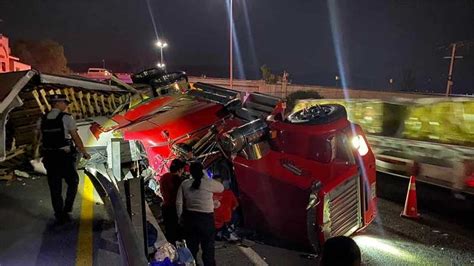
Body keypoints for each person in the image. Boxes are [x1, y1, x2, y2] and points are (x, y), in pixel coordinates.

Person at [36, 94, 90, 224]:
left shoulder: (41, 119)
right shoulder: (67, 118)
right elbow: (75, 137)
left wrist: (36, 155)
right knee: (73, 181)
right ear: (58, 103)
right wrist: (84, 152)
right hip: (64, 157)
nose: (66, 105)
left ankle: (59, 214)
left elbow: (38, 139)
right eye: (64, 103)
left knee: (55, 187)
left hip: (49, 157)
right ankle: (67, 209)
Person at [176, 162, 224, 266]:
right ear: (202, 171)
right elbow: (221, 188)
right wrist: (205, 175)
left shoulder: (185, 183)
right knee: (208, 249)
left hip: (190, 219)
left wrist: (180, 217)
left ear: (190, 172)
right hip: (206, 220)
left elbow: (179, 203)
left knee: (192, 249)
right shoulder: (208, 183)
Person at [159, 158, 186, 245]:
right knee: (178, 234)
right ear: (180, 169)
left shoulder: (164, 177)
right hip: (174, 208)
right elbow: (179, 198)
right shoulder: (177, 180)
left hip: (166, 207)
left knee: (170, 233)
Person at [212, 175, 239, 241]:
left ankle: (225, 231)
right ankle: (227, 231)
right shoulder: (228, 193)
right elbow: (235, 206)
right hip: (220, 222)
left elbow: (235, 205)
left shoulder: (209, 193)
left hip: (218, 222)